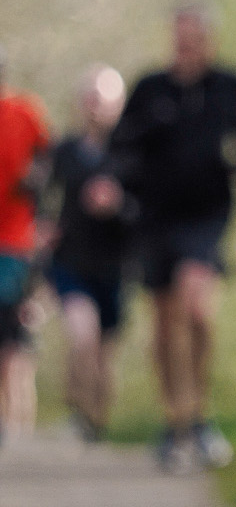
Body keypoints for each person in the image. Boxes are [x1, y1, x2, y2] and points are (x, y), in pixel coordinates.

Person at [109, 4, 236, 472]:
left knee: (197, 306)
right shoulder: (150, 89)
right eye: (179, 38)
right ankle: (176, 421)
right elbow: (120, 146)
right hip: (155, 218)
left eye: (193, 38)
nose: (185, 47)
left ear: (209, 41)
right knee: (165, 319)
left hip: (207, 216)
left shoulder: (228, 85)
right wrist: (113, 182)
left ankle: (200, 412)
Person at [44, 64, 131, 441]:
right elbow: (40, 195)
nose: (96, 106)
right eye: (90, 98)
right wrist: (42, 226)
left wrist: (117, 204)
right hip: (69, 262)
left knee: (103, 352)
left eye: (104, 99)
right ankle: (79, 412)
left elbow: (146, 211)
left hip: (114, 265)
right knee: (83, 336)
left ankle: (96, 421)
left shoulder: (130, 155)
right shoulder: (64, 151)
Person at [0, 47, 51, 442]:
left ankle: (16, 427)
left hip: (13, 241)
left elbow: (49, 162)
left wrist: (33, 183)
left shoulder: (25, 112)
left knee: (13, 336)